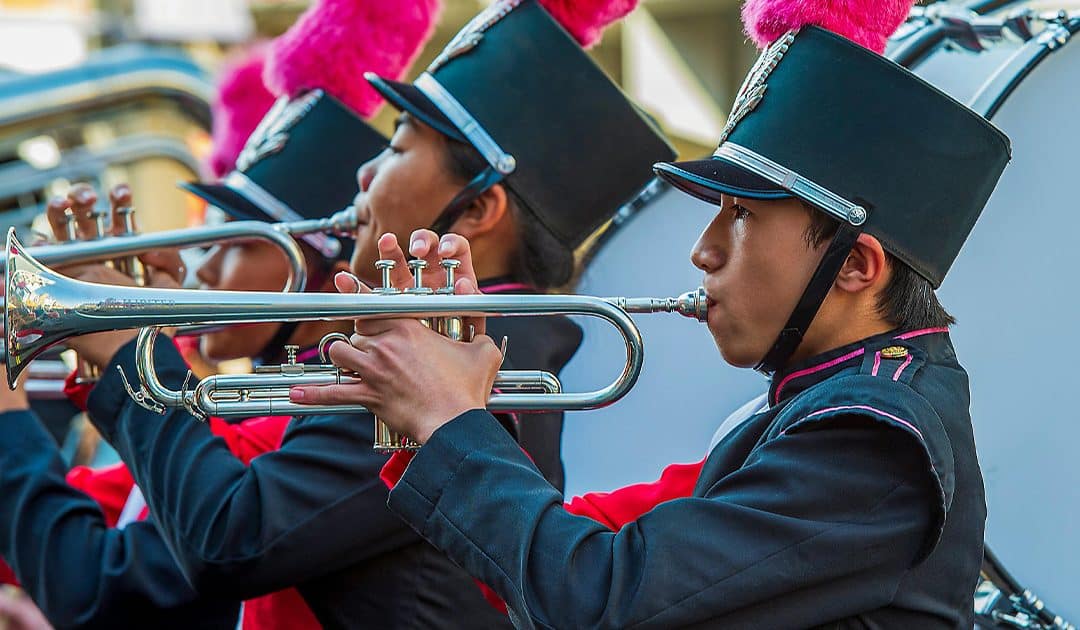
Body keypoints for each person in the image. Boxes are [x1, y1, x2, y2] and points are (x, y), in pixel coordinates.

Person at [292, 0, 1014, 626]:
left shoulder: (867, 437)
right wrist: (449, 416)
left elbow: (598, 600)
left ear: (856, 266)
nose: (702, 252)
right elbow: (572, 552)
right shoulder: (833, 402)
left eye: (738, 216)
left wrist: (452, 423)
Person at [49, 0, 673, 626]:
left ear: (478, 210)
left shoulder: (438, 345)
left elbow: (234, 540)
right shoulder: (490, 337)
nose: (364, 170)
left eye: (398, 148)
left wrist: (134, 354)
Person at [0, 89, 386, 629]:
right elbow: (102, 505)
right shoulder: (273, 408)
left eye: (240, 244)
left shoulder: (316, 421)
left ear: (331, 274)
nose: (203, 270)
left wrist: (14, 418)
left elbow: (98, 586)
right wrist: (110, 358)